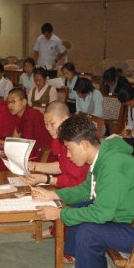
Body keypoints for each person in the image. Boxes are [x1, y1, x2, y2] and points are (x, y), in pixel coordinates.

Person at [31, 116, 134, 268]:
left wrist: (60, 214)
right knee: (79, 208)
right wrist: (54, 195)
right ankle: (84, 265)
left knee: (88, 233)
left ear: (84, 145)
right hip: (126, 218)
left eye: (69, 148)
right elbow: (87, 190)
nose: (68, 155)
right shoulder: (101, 156)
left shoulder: (113, 165)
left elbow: (102, 213)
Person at [24, 101, 89, 238]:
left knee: (53, 194)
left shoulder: (76, 139)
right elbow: (62, 165)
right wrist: (35, 166)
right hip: (70, 181)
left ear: (65, 120)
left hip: (83, 188)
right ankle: (55, 228)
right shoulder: (59, 136)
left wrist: (48, 179)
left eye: (52, 123)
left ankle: (61, 232)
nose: (48, 128)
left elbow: (77, 178)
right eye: (46, 124)